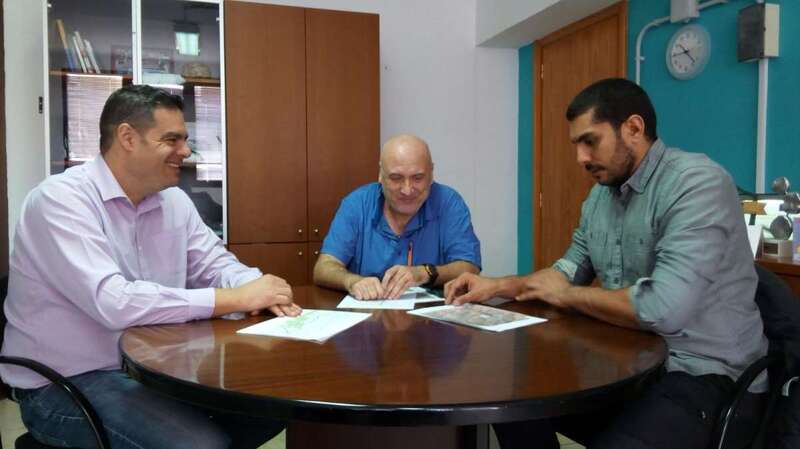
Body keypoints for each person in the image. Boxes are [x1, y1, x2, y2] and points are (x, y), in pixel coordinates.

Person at [444, 78, 768, 449]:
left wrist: (567, 296)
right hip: (631, 362)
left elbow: (662, 309)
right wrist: (498, 285)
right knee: (508, 404)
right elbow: (566, 270)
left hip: (703, 373)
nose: (580, 158)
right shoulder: (600, 197)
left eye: (589, 141)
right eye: (576, 145)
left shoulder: (697, 184)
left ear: (633, 128)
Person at [0, 85, 301, 449]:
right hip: (65, 382)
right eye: (172, 139)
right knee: (198, 445)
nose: (186, 151)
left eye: (185, 139)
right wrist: (234, 297)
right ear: (127, 137)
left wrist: (260, 288)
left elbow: (214, 263)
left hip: (154, 369)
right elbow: (114, 303)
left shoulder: (174, 201)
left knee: (270, 411)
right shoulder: (59, 201)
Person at [313, 134, 481, 299]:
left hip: (430, 319)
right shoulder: (357, 204)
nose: (407, 190)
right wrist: (352, 281)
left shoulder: (448, 203)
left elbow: (470, 268)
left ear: (431, 174)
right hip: (368, 320)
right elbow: (324, 267)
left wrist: (423, 272)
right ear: (380, 175)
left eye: (417, 178)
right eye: (396, 178)